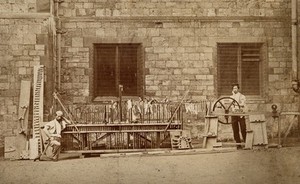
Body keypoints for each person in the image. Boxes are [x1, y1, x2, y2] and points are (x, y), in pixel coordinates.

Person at [230, 84, 247, 149]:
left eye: (236, 88)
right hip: (234, 115)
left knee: (243, 129)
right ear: (232, 89)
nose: (235, 89)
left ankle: (246, 143)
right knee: (235, 129)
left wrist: (236, 104)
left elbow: (242, 104)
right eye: (234, 88)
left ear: (238, 89)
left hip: (240, 115)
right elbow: (231, 106)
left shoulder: (242, 96)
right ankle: (238, 145)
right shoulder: (231, 97)